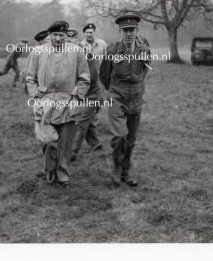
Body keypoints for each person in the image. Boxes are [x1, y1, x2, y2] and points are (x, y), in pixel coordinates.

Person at [26, 20, 90, 189]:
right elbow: (29, 77)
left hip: (68, 102)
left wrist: (77, 96)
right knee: (48, 140)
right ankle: (50, 169)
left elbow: (84, 77)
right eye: (55, 35)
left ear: (66, 36)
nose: (58, 38)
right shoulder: (38, 52)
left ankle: (63, 175)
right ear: (50, 35)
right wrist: (35, 94)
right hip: (45, 102)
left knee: (65, 142)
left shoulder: (76, 51)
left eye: (62, 35)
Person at [99, 10, 151, 187]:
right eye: (125, 30)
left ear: (137, 31)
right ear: (120, 32)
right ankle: (115, 168)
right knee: (120, 135)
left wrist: (137, 88)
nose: (129, 34)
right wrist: (112, 92)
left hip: (136, 97)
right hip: (117, 95)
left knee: (131, 139)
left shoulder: (144, 49)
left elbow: (144, 71)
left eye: (132, 30)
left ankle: (125, 173)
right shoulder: (112, 50)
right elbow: (104, 74)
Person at [70, 25, 104, 162]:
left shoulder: (86, 54)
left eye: (72, 39)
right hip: (81, 93)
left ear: (77, 39)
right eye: (68, 39)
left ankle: (72, 153)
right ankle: (95, 144)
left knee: (81, 122)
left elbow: (93, 77)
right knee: (87, 120)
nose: (69, 42)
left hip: (91, 94)